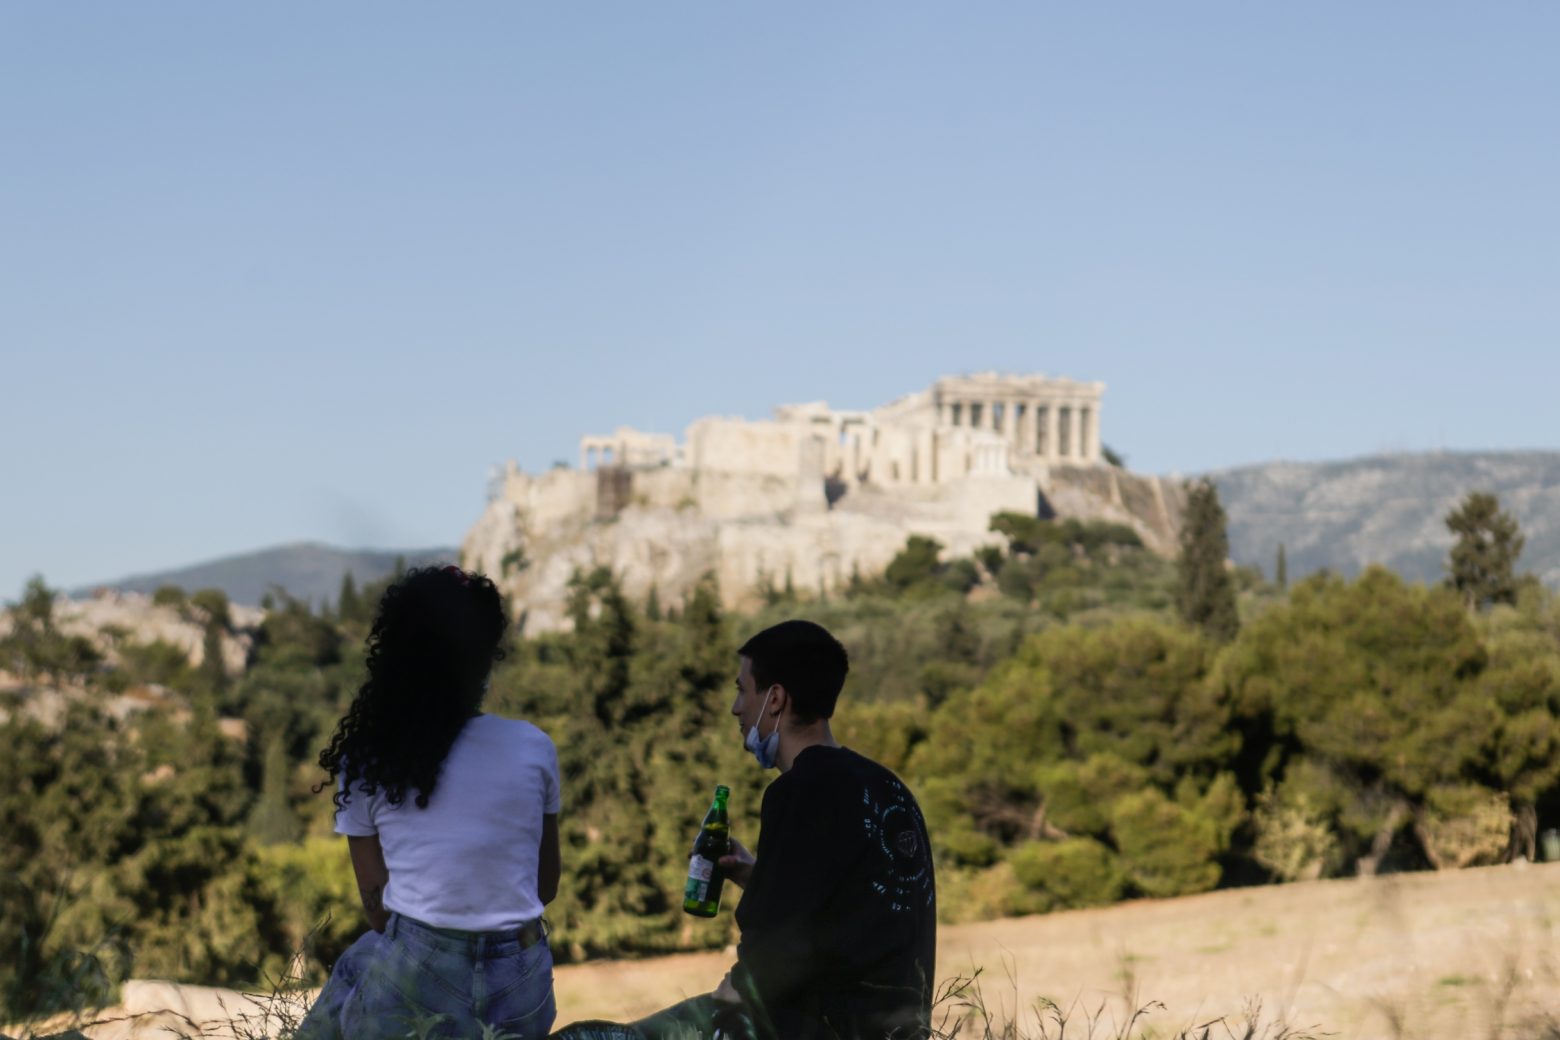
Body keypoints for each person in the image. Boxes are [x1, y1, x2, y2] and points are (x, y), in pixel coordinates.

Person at [297, 566, 562, 1040]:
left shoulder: (371, 759)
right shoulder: (533, 746)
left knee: (360, 959)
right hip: (523, 987)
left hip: (421, 977)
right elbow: (544, 887)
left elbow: (378, 912)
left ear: (398, 659)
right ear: (484, 658)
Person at [713, 619, 937, 1040]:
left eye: (743, 690)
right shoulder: (890, 788)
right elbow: (851, 910)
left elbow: (777, 945)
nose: (736, 707)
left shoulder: (798, 792)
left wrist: (731, 994)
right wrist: (758, 878)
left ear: (775, 698)